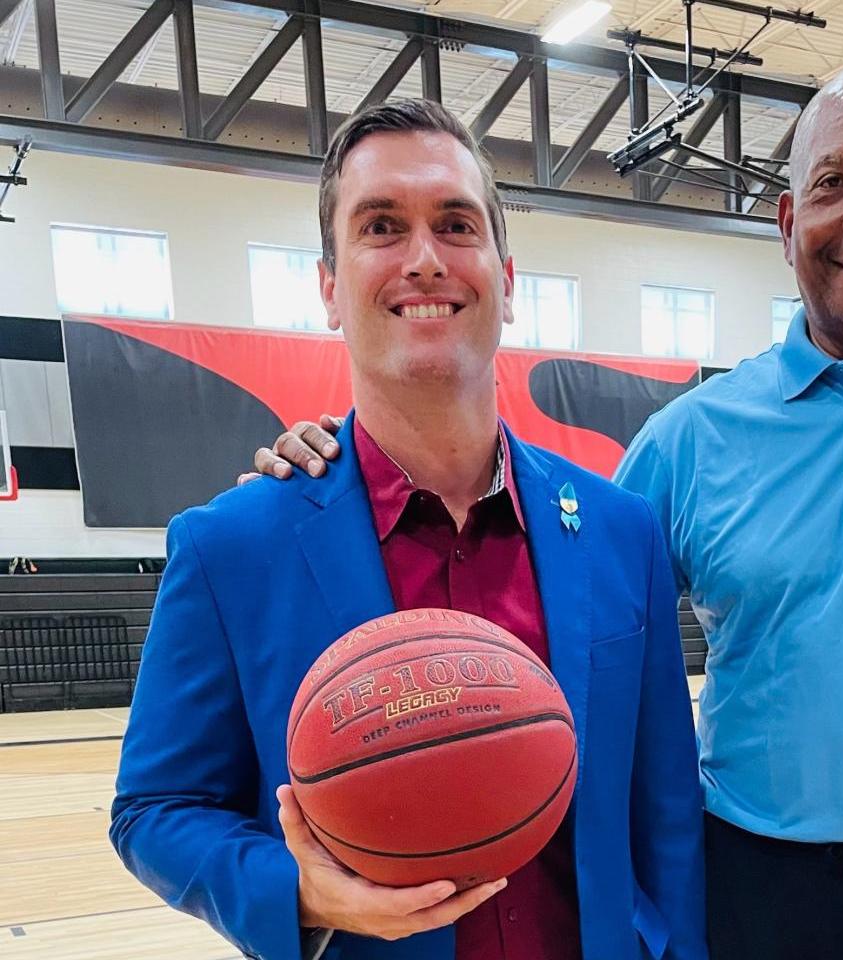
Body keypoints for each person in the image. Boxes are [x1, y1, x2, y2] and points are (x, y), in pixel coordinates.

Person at [258, 64, 843, 960]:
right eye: (833, 184)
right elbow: (534, 619)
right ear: (786, 222)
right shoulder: (687, 442)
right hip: (746, 888)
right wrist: (347, 466)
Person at [111, 99, 706, 960]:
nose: (424, 259)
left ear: (506, 277)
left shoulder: (620, 530)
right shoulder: (232, 547)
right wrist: (298, 893)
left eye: (455, 224)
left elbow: (667, 813)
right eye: (382, 226)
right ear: (329, 288)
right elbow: (154, 810)